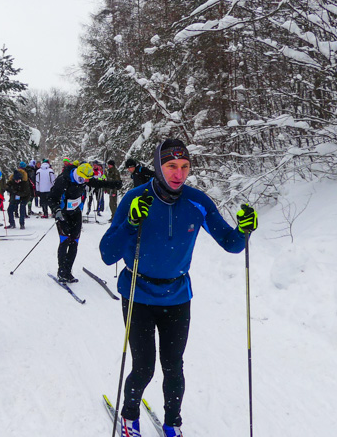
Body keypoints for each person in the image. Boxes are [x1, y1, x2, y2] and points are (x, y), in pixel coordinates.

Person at [100, 139, 258, 437]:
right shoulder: (136, 198)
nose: (178, 174)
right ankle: (130, 417)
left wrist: (244, 229)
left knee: (174, 367)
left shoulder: (197, 202)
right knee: (144, 366)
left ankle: (173, 423)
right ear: (158, 167)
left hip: (177, 295)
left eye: (184, 167)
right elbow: (107, 254)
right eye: (171, 166)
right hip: (138, 293)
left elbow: (231, 244)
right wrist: (132, 222)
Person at [49, 162, 122, 282]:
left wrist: (114, 184)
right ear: (79, 175)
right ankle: (61, 271)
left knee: (74, 242)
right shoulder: (63, 180)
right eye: (85, 179)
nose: (87, 182)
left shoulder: (85, 179)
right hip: (63, 214)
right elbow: (51, 198)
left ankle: (68, 271)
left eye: (88, 180)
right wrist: (56, 210)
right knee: (65, 241)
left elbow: (98, 183)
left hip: (76, 213)